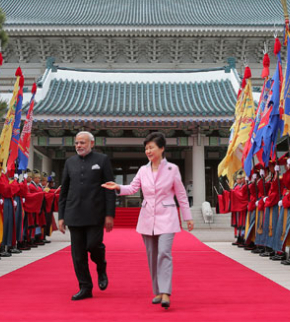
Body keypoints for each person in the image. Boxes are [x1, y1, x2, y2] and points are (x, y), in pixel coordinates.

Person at [103, 132, 194, 309]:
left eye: (151, 147)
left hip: (167, 217)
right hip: (147, 217)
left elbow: (181, 195)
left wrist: (187, 216)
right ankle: (158, 291)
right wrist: (118, 187)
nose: (148, 151)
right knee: (152, 256)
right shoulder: (143, 170)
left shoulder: (172, 169)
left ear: (161, 148)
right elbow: (133, 188)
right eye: (146, 148)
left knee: (164, 253)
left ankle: (166, 292)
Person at [58, 131, 115, 301]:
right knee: (78, 254)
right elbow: (64, 191)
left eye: (82, 143)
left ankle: (101, 265)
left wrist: (109, 214)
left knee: (93, 244)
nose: (79, 146)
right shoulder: (69, 163)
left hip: (95, 213)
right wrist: (61, 216)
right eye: (76, 143)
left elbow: (110, 189)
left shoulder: (102, 160)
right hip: (74, 213)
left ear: (91, 143)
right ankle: (85, 287)